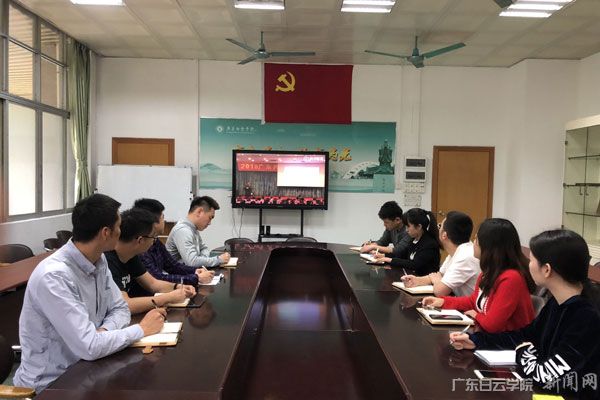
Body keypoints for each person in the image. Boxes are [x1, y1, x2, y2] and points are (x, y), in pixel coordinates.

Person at [13, 194, 166, 393]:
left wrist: (102, 333)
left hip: (90, 368)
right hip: (52, 384)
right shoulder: (54, 276)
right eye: (119, 226)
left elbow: (120, 309)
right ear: (106, 233)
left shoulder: (99, 261)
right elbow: (90, 347)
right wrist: (142, 329)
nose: (121, 231)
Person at [449, 230, 600, 399]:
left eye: (532, 260)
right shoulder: (557, 303)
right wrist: (476, 341)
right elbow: (525, 335)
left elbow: (543, 377)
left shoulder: (586, 317)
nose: (528, 264)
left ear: (547, 270)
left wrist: (524, 351)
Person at [423, 218, 535, 333]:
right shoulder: (488, 272)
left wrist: (477, 315)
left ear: (488, 246)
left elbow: (493, 325)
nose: (473, 243)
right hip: (491, 336)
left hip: (511, 340)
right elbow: (473, 301)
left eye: (476, 239)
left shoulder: (511, 278)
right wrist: (443, 302)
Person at [105, 208, 196, 315]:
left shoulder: (131, 255)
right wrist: (168, 297)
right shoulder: (108, 261)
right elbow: (125, 305)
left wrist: (178, 287)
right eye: (153, 237)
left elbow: (153, 283)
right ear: (140, 240)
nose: (154, 241)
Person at [134, 198, 214, 286]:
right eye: (162, 217)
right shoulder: (141, 246)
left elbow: (172, 265)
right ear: (153, 221)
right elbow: (157, 278)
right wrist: (196, 278)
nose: (164, 221)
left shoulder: (155, 241)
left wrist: (194, 271)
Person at [402, 211, 480, 297]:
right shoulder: (457, 251)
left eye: (439, 226)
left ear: (444, 235)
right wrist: (416, 280)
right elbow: (440, 275)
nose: (438, 229)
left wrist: (436, 279)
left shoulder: (465, 257)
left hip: (472, 305)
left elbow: (439, 291)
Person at [166, 196, 230, 268]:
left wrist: (200, 260)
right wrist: (219, 260)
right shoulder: (183, 231)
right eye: (210, 218)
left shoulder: (193, 228)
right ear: (199, 212)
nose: (210, 223)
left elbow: (204, 248)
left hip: (188, 271)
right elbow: (192, 262)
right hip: (175, 274)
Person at [374, 208, 441, 275]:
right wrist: (384, 255)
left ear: (419, 226)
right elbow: (402, 254)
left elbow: (414, 264)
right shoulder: (414, 240)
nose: (406, 230)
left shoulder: (429, 244)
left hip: (425, 279)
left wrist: (389, 259)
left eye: (408, 226)